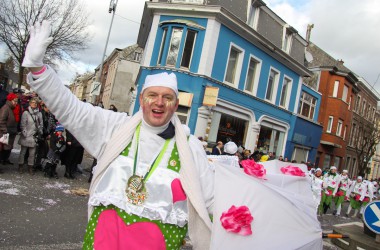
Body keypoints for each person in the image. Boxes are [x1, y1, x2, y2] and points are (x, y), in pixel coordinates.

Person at [22, 20, 214, 249]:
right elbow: (71, 109)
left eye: (168, 98)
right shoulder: (115, 128)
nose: (159, 103)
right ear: (142, 99)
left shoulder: (190, 148)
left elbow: (211, 202)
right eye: (152, 95)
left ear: (175, 105)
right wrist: (38, 69)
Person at [18, 97, 43, 174]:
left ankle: (30, 167)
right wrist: (25, 133)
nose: (34, 104)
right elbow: (23, 124)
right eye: (32, 102)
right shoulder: (26, 113)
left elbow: (41, 124)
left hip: (34, 136)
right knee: (23, 152)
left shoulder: (39, 113)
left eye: (35, 103)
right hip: (26, 135)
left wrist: (40, 132)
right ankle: (21, 166)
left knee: (32, 153)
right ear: (30, 103)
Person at [0, 93, 19, 169]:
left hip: (8, 133)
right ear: (10, 100)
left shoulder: (10, 108)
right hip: (4, 134)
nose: (16, 103)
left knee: (5, 151)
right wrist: (5, 130)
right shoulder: (6, 108)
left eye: (17, 101)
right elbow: (1, 120)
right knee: (1, 151)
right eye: (15, 101)